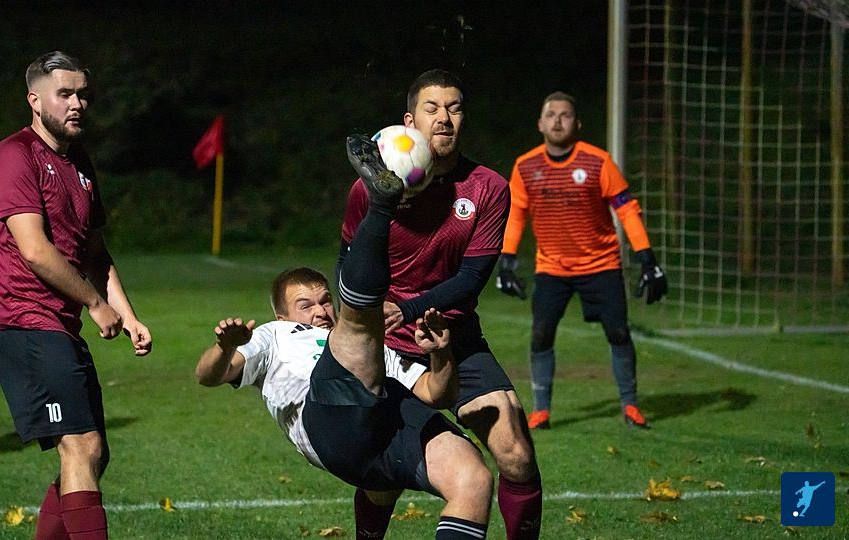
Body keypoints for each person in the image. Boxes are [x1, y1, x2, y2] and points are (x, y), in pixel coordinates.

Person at [197, 136, 494, 539]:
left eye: (325, 300)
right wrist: (225, 346)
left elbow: (435, 394)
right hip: (326, 420)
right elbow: (208, 376)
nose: (320, 311)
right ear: (283, 315)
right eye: (305, 305)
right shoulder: (275, 335)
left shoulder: (372, 349)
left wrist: (442, 355)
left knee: (473, 479)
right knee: (360, 323)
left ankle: (380, 209)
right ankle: (382, 204)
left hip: (379, 420)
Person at [339, 69, 543, 540]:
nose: (444, 119)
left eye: (454, 108)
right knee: (382, 479)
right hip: (385, 344)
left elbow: (472, 279)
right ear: (409, 122)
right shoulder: (371, 189)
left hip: (455, 338)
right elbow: (346, 265)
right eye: (432, 108)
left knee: (515, 452)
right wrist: (361, 321)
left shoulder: (488, 187)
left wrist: (409, 311)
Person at [0, 51, 152, 540]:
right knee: (81, 446)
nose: (78, 103)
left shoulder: (79, 163)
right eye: (65, 94)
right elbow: (35, 250)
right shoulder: (14, 155)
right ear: (35, 100)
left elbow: (94, 251)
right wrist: (96, 305)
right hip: (23, 320)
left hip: (58, 325)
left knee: (95, 455)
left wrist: (127, 314)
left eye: (82, 94)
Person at [496, 91, 668, 430]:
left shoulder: (598, 162)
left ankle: (630, 405)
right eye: (551, 114)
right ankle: (541, 411)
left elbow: (627, 210)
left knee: (618, 332)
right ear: (540, 124)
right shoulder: (525, 166)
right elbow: (516, 214)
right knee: (541, 334)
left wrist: (647, 259)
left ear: (578, 124)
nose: (558, 120)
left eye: (565, 115)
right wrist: (507, 261)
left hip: (601, 265)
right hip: (552, 267)